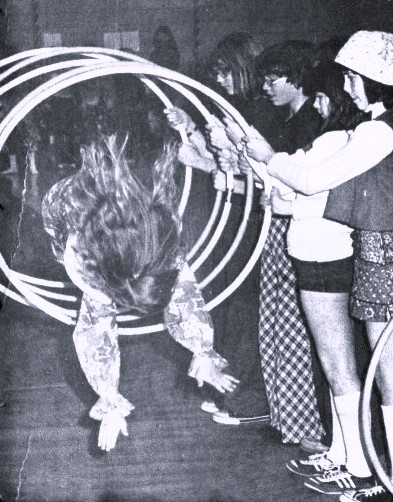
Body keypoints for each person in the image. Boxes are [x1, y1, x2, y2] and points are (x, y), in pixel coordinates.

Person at [242, 30, 393, 501]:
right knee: (373, 369)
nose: (346, 89)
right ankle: (364, 467)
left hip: (378, 254)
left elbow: (312, 181)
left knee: (384, 371)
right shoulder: (368, 128)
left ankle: (372, 472)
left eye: (352, 80)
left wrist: (270, 158)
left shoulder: (377, 130)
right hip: (368, 252)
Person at [41, 134, 239, 451]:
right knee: (99, 306)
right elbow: (97, 334)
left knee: (171, 278)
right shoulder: (82, 262)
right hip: (62, 209)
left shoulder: (165, 248)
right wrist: (109, 398)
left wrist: (203, 351)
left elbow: (185, 298)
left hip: (121, 227)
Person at [165, 32, 282, 425]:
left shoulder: (263, 115)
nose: (221, 81)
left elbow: (257, 173)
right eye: (217, 74)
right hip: (237, 219)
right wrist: (191, 130)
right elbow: (224, 164)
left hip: (255, 221)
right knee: (231, 304)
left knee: (247, 306)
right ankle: (231, 386)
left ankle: (249, 394)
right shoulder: (237, 110)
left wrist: (217, 164)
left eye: (227, 73)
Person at [221, 40, 326, 444]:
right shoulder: (289, 121)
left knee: (294, 330)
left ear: (297, 78)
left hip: (298, 234)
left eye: (272, 79)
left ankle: (308, 428)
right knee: (277, 327)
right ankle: (289, 420)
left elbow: (302, 181)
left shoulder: (310, 124)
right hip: (280, 230)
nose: (266, 87)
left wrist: (264, 164)